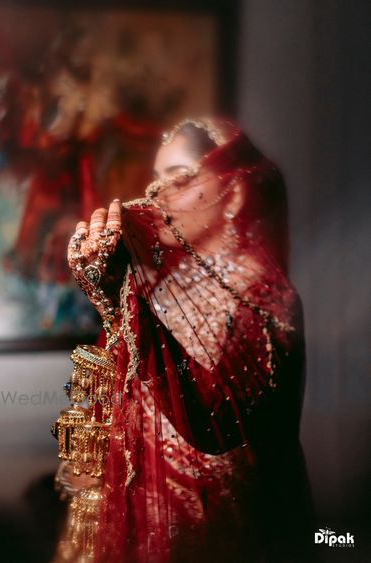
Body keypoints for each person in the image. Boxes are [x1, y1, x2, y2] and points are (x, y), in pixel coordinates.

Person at [55, 117, 317, 562]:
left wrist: (124, 297)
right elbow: (116, 392)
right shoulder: (162, 285)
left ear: (234, 195)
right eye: (156, 180)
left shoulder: (266, 300)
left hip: (228, 537)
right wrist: (88, 467)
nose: (157, 195)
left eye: (179, 179)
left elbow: (214, 422)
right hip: (149, 527)